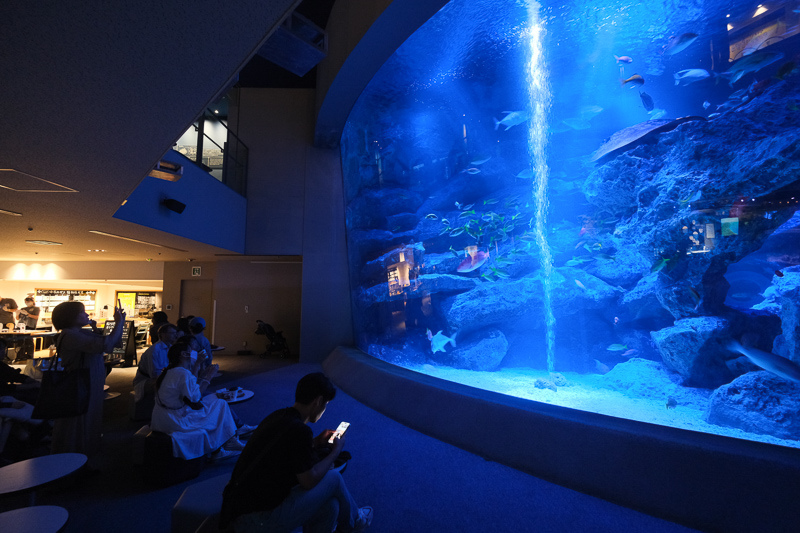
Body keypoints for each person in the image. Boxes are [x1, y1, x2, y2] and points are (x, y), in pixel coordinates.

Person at [223, 372, 373, 533]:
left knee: (331, 507)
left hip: (238, 508)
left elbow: (286, 450)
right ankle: (357, 521)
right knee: (334, 478)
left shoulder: (279, 416)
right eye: (326, 404)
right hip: (256, 520)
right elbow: (309, 480)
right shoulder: (300, 431)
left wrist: (315, 442)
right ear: (318, 401)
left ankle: (352, 520)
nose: (324, 409)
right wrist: (335, 451)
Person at [50, 301, 126, 468]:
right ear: (71, 317)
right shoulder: (70, 335)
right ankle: (72, 462)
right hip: (82, 382)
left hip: (89, 381)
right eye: (82, 312)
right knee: (80, 422)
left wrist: (119, 323)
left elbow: (113, 343)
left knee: (89, 419)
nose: (87, 315)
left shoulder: (77, 332)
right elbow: (105, 344)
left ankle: (83, 458)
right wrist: (118, 323)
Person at [150, 340, 244, 460]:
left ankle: (223, 444)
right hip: (175, 422)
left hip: (161, 418)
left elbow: (191, 385)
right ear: (184, 354)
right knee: (221, 404)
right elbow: (195, 397)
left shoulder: (171, 371)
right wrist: (209, 376)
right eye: (192, 351)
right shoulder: (182, 373)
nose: (195, 353)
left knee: (213, 401)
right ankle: (226, 443)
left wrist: (198, 364)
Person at [133, 323, 178, 404]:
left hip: (159, 377)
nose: (175, 336)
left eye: (175, 333)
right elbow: (154, 374)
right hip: (146, 381)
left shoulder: (170, 347)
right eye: (172, 333)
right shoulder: (155, 351)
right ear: (162, 335)